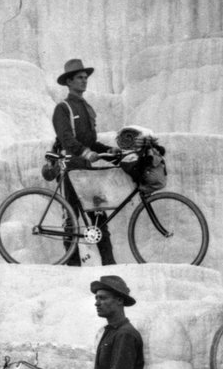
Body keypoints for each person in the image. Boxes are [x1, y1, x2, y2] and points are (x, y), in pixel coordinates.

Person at [51, 57, 157, 266]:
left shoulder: (86, 108)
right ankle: (72, 267)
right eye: (79, 78)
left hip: (87, 171)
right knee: (71, 217)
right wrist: (85, 152)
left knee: (99, 217)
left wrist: (111, 150)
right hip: (71, 167)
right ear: (69, 82)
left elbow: (91, 141)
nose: (84, 81)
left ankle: (109, 264)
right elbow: (67, 140)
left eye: (85, 78)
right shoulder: (63, 109)